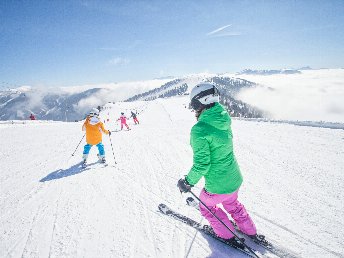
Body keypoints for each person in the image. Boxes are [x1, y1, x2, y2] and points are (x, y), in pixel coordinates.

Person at [177, 83, 257, 248]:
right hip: (234, 178)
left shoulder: (200, 129)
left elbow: (202, 164)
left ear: (200, 102)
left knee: (206, 207)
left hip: (218, 185)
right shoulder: (223, 119)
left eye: (194, 104)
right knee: (233, 204)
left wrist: (188, 182)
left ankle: (226, 235)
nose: (193, 108)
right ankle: (250, 231)